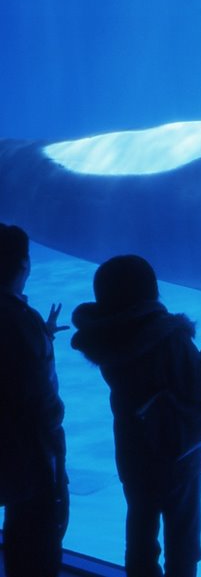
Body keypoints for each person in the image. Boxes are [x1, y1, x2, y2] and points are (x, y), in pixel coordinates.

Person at [70, 255, 201, 577]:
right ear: (152, 291)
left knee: (141, 536)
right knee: (182, 540)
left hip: (133, 455)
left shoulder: (107, 339)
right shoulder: (169, 336)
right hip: (177, 456)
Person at [0, 223, 70, 577]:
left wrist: (41, 337)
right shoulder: (21, 319)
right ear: (25, 265)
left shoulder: (22, 320)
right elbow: (39, 403)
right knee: (36, 536)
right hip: (29, 452)